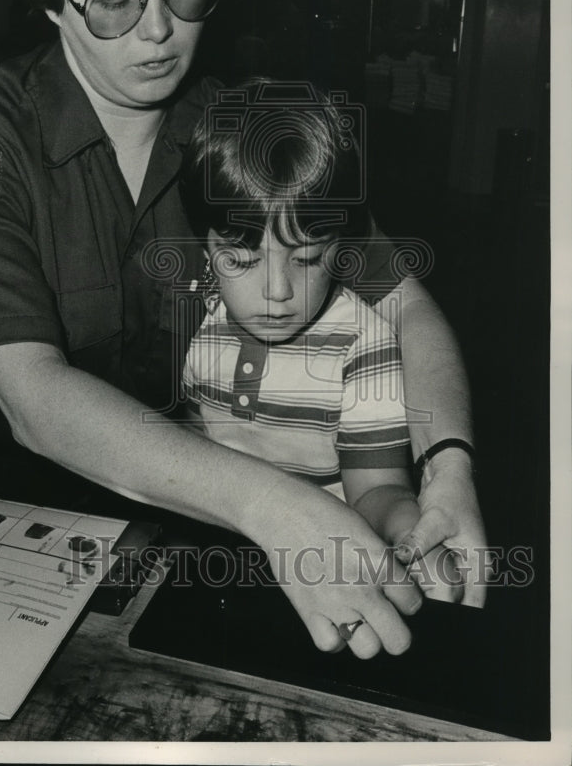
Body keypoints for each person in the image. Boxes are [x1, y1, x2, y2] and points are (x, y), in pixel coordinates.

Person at [0, 0, 485, 661]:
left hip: (187, 522)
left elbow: (408, 310)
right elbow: (33, 400)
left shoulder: (240, 133)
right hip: (2, 528)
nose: (158, 30)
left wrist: (447, 467)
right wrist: (275, 505)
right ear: (50, 2)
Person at [179, 83, 463, 601]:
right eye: (240, 260)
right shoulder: (203, 322)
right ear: (206, 247)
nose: (277, 291)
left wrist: (406, 532)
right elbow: (196, 437)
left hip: (322, 574)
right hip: (219, 562)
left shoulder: (363, 347)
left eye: (307, 258)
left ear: (343, 247)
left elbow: (376, 490)